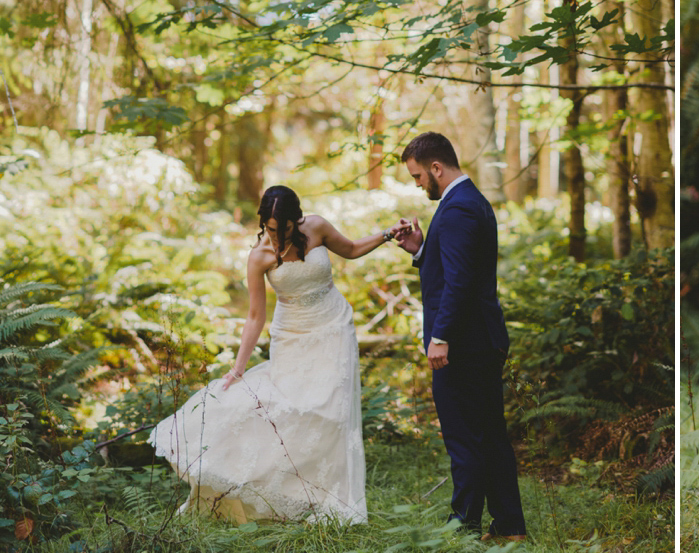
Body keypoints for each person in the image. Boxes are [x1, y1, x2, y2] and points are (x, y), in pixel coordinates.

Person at [150, 185, 404, 523]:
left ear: (297, 220)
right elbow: (255, 315)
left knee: (333, 412)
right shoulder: (259, 256)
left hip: (333, 325)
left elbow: (353, 248)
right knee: (294, 407)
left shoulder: (317, 227)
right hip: (292, 334)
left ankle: (331, 500)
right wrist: (239, 368)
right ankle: (283, 493)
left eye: (282, 229)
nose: (276, 236)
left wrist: (389, 234)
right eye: (269, 229)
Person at [392, 132, 527, 543]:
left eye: (418, 176)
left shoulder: (457, 211)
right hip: (481, 339)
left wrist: (441, 336)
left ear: (436, 168)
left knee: (464, 437)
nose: (417, 184)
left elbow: (460, 283)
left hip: (465, 344)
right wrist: (420, 250)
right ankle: (509, 526)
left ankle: (464, 525)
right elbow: (453, 268)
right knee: (489, 435)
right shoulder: (470, 202)